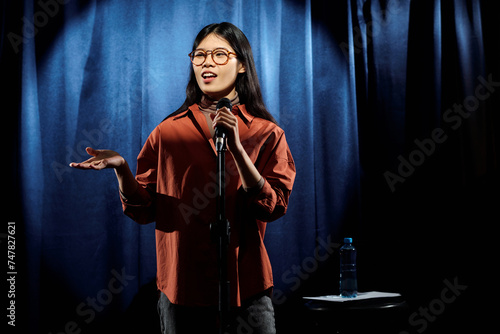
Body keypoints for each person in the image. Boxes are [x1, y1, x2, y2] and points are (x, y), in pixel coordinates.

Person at [70, 22, 296, 334]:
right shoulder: (168, 132)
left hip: (247, 289)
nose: (207, 63)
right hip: (182, 290)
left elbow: (273, 207)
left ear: (242, 64)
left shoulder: (267, 133)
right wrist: (122, 169)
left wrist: (238, 150)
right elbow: (144, 209)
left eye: (219, 54)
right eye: (200, 55)